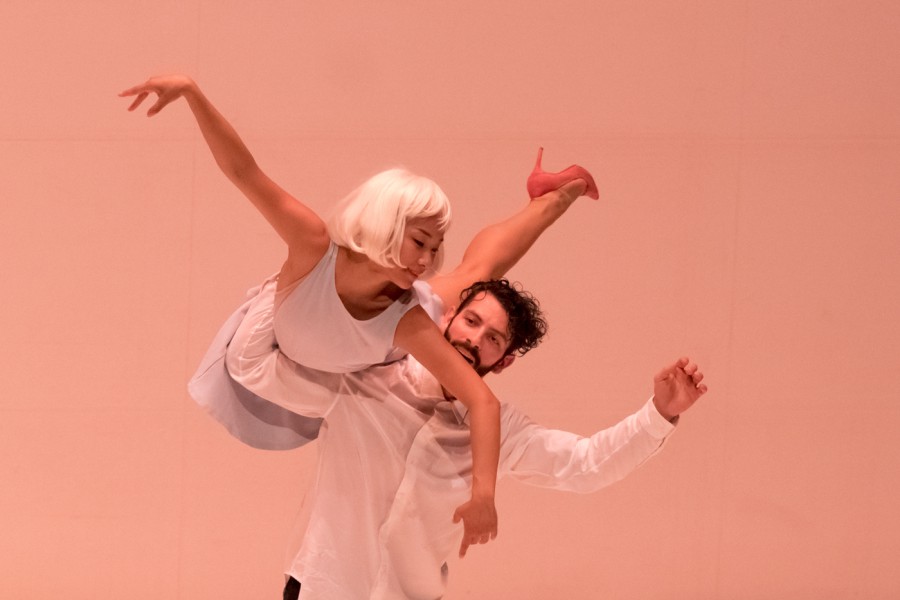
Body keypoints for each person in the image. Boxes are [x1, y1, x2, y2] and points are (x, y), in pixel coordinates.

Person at [119, 74, 600, 553]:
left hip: (346, 361)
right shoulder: (314, 247)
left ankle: (553, 195)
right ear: (386, 224)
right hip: (270, 354)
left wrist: (483, 495)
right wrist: (192, 93)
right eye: (419, 242)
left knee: (476, 275)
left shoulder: (407, 317)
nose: (426, 260)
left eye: (434, 247)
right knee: (471, 275)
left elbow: (483, 402)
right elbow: (244, 172)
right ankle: (548, 197)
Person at [226, 277, 708, 599]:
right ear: (448, 318)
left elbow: (584, 466)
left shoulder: (500, 431)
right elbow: (249, 364)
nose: (475, 340)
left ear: (505, 361)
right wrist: (292, 273)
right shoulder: (363, 380)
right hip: (321, 590)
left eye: (494, 339)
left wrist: (660, 413)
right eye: (472, 322)